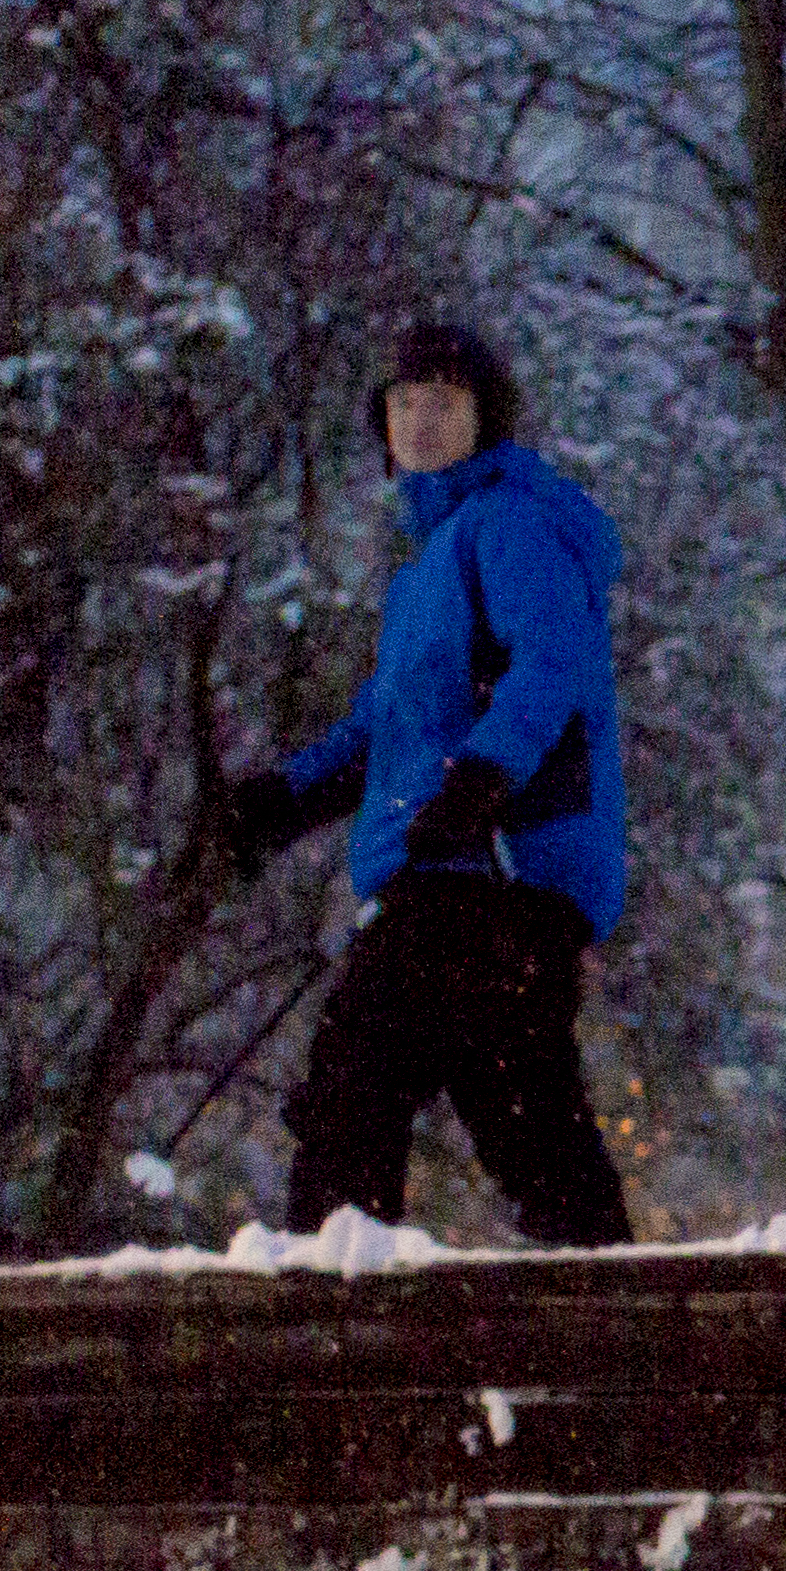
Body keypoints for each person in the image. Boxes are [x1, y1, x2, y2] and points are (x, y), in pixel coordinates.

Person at [205, 318, 636, 1248]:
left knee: (356, 1084)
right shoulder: (427, 571)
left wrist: (484, 778)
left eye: (444, 402)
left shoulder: (510, 523)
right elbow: (384, 731)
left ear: (487, 418)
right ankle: (623, 1339)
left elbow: (551, 662)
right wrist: (284, 797)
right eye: (403, 405)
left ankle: (335, 1323)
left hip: (499, 871)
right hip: (461, 875)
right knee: (529, 1125)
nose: (422, 422)